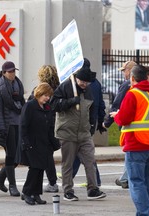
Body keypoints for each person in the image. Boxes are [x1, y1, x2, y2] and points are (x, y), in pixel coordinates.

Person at [111, 65, 149, 215]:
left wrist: (116, 116)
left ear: (133, 79)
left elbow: (124, 118)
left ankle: (144, 213)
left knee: (136, 183)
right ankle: (146, 212)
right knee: (147, 183)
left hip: (136, 144)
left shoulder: (133, 94)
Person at [50, 67, 106, 201]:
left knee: (90, 161)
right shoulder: (65, 87)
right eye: (82, 81)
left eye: (87, 82)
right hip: (67, 133)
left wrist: (93, 124)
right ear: (76, 78)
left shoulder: (89, 90)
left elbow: (92, 108)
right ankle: (68, 191)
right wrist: (69, 102)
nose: (84, 84)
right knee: (67, 163)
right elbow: (54, 104)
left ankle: (93, 189)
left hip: (84, 133)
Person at [20, 82, 58, 205]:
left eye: (49, 96)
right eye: (45, 95)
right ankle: (26, 192)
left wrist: (54, 143)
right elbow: (23, 125)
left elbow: (50, 127)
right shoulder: (30, 106)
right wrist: (25, 142)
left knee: (41, 168)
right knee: (35, 168)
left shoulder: (47, 108)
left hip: (44, 143)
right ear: (39, 93)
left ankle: (36, 194)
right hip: (31, 142)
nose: (47, 98)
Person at [0, 61, 25, 197]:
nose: (12, 74)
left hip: (18, 123)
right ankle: (12, 185)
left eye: (13, 71)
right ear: (4, 72)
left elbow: (22, 102)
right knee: (11, 155)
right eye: (10, 72)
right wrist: (1, 128)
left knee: (18, 156)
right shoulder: (0, 87)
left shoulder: (18, 84)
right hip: (7, 125)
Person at [72, 58, 106, 186]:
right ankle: (93, 180)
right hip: (91, 121)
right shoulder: (96, 82)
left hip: (83, 121)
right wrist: (100, 120)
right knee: (82, 151)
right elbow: (101, 104)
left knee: (83, 152)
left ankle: (94, 181)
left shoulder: (83, 83)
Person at [103, 60, 137, 189]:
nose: (123, 73)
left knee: (130, 153)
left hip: (128, 126)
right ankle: (125, 178)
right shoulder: (148, 88)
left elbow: (117, 105)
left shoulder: (126, 85)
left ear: (129, 71)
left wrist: (107, 123)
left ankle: (125, 178)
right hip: (144, 129)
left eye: (124, 70)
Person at [27, 65, 60, 193]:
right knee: (47, 155)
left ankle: (50, 182)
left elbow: (30, 104)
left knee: (43, 156)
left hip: (41, 126)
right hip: (53, 125)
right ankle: (52, 182)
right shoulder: (58, 90)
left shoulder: (39, 89)